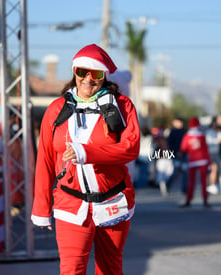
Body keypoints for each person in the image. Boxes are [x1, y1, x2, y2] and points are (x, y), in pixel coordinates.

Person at [31, 44, 140, 274]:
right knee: (71, 270)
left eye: (96, 74)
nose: (88, 79)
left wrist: (86, 152)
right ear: (74, 72)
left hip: (113, 203)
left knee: (109, 269)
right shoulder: (56, 109)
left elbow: (130, 148)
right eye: (82, 72)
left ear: (104, 76)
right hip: (70, 204)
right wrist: (41, 207)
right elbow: (45, 160)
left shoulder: (122, 105)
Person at [180, 117, 211, 208]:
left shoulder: (187, 136)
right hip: (202, 160)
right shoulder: (202, 135)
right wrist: (208, 162)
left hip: (192, 160)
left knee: (191, 182)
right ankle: (205, 200)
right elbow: (206, 150)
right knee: (204, 182)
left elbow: (183, 148)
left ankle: (188, 200)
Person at [166, 117, 188, 193]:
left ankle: (184, 189)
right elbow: (170, 144)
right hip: (176, 155)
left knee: (185, 172)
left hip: (184, 154)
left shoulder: (185, 131)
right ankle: (167, 184)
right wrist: (176, 152)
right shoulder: (172, 132)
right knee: (175, 172)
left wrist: (184, 151)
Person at [205, 116, 221, 195]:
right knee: (211, 170)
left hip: (217, 153)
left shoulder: (219, 131)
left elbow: (220, 140)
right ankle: (210, 185)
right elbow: (208, 141)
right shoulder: (208, 132)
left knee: (219, 170)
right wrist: (215, 141)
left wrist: (214, 141)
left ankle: (219, 185)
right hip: (210, 153)